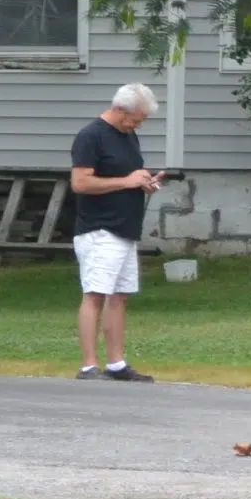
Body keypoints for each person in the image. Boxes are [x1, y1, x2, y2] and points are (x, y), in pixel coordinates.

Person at [70, 82, 163, 382]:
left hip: (125, 229)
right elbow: (80, 183)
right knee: (95, 294)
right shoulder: (91, 136)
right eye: (136, 119)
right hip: (99, 229)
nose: (138, 125)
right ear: (119, 109)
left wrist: (144, 182)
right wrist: (127, 182)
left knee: (120, 296)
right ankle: (88, 366)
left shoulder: (128, 135)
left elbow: (128, 175)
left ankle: (116, 363)